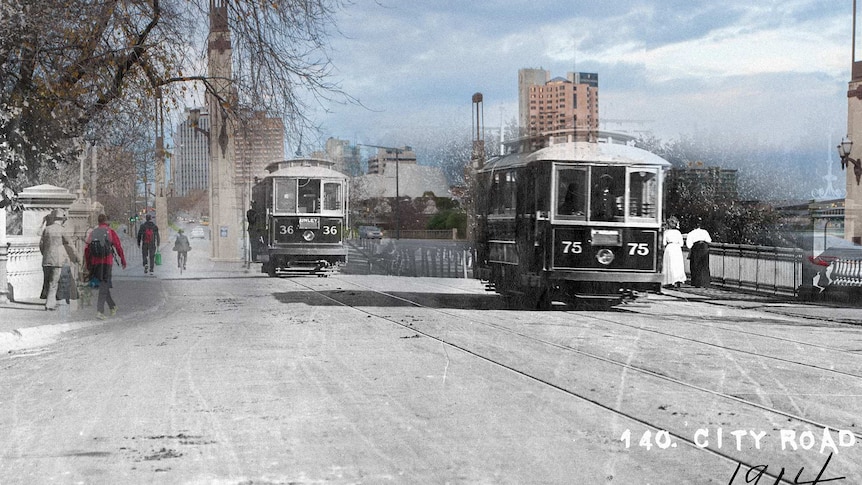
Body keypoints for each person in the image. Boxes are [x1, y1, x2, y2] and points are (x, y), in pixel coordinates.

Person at [85, 213, 127, 319]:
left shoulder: (93, 232)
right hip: (107, 262)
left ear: (98, 222)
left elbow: (87, 249)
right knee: (104, 285)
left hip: (95, 262)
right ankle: (100, 311)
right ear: (107, 222)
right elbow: (118, 246)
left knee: (103, 285)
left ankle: (112, 306)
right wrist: (123, 260)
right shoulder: (110, 232)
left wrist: (88, 263)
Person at [40, 209, 78, 311]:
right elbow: (70, 244)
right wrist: (75, 255)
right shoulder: (62, 230)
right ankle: (50, 304)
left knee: (47, 281)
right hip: (57, 260)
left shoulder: (47, 229)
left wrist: (44, 254)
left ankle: (49, 301)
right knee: (54, 282)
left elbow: (41, 245)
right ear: (62, 219)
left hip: (46, 259)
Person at [686, 219, 713, 288]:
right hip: (704, 247)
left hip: (696, 247)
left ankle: (697, 283)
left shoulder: (691, 233)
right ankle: (705, 283)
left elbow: (689, 244)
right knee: (704, 265)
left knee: (695, 265)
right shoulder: (704, 232)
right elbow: (709, 240)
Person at [661, 216, 686, 289]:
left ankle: (670, 281)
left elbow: (664, 243)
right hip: (677, 248)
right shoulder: (678, 233)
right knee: (677, 265)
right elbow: (681, 243)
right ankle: (678, 280)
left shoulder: (666, 232)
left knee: (670, 264)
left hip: (670, 248)